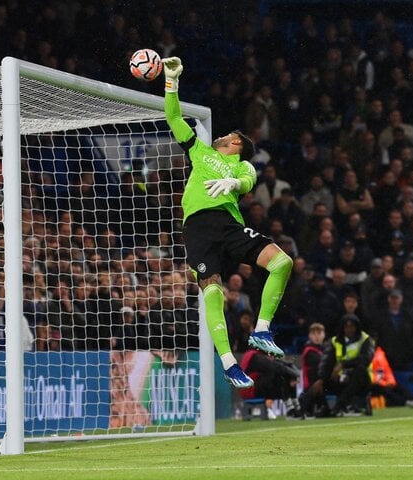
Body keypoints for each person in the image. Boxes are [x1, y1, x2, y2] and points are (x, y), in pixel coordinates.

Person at [162, 56, 294, 388]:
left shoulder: (240, 165)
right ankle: (229, 363)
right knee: (213, 294)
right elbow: (173, 116)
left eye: (226, 135)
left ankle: (262, 329)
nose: (219, 135)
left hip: (228, 224)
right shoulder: (199, 151)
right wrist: (171, 81)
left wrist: (233, 184)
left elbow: (249, 180)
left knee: (282, 261)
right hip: (197, 227)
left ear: (235, 144)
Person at [309, 314, 375, 416]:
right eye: (347, 326)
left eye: (352, 326)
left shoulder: (365, 339)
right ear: (342, 327)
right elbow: (327, 361)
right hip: (342, 378)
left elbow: (366, 359)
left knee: (360, 371)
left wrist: (343, 364)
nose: (350, 329)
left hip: (363, 380)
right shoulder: (335, 341)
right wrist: (321, 379)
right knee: (321, 377)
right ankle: (323, 407)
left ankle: (340, 405)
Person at [296, 322, 327, 417]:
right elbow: (322, 364)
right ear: (310, 335)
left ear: (324, 334)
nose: (316, 336)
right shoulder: (309, 351)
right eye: (314, 333)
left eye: (319, 333)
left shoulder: (324, 349)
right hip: (310, 386)